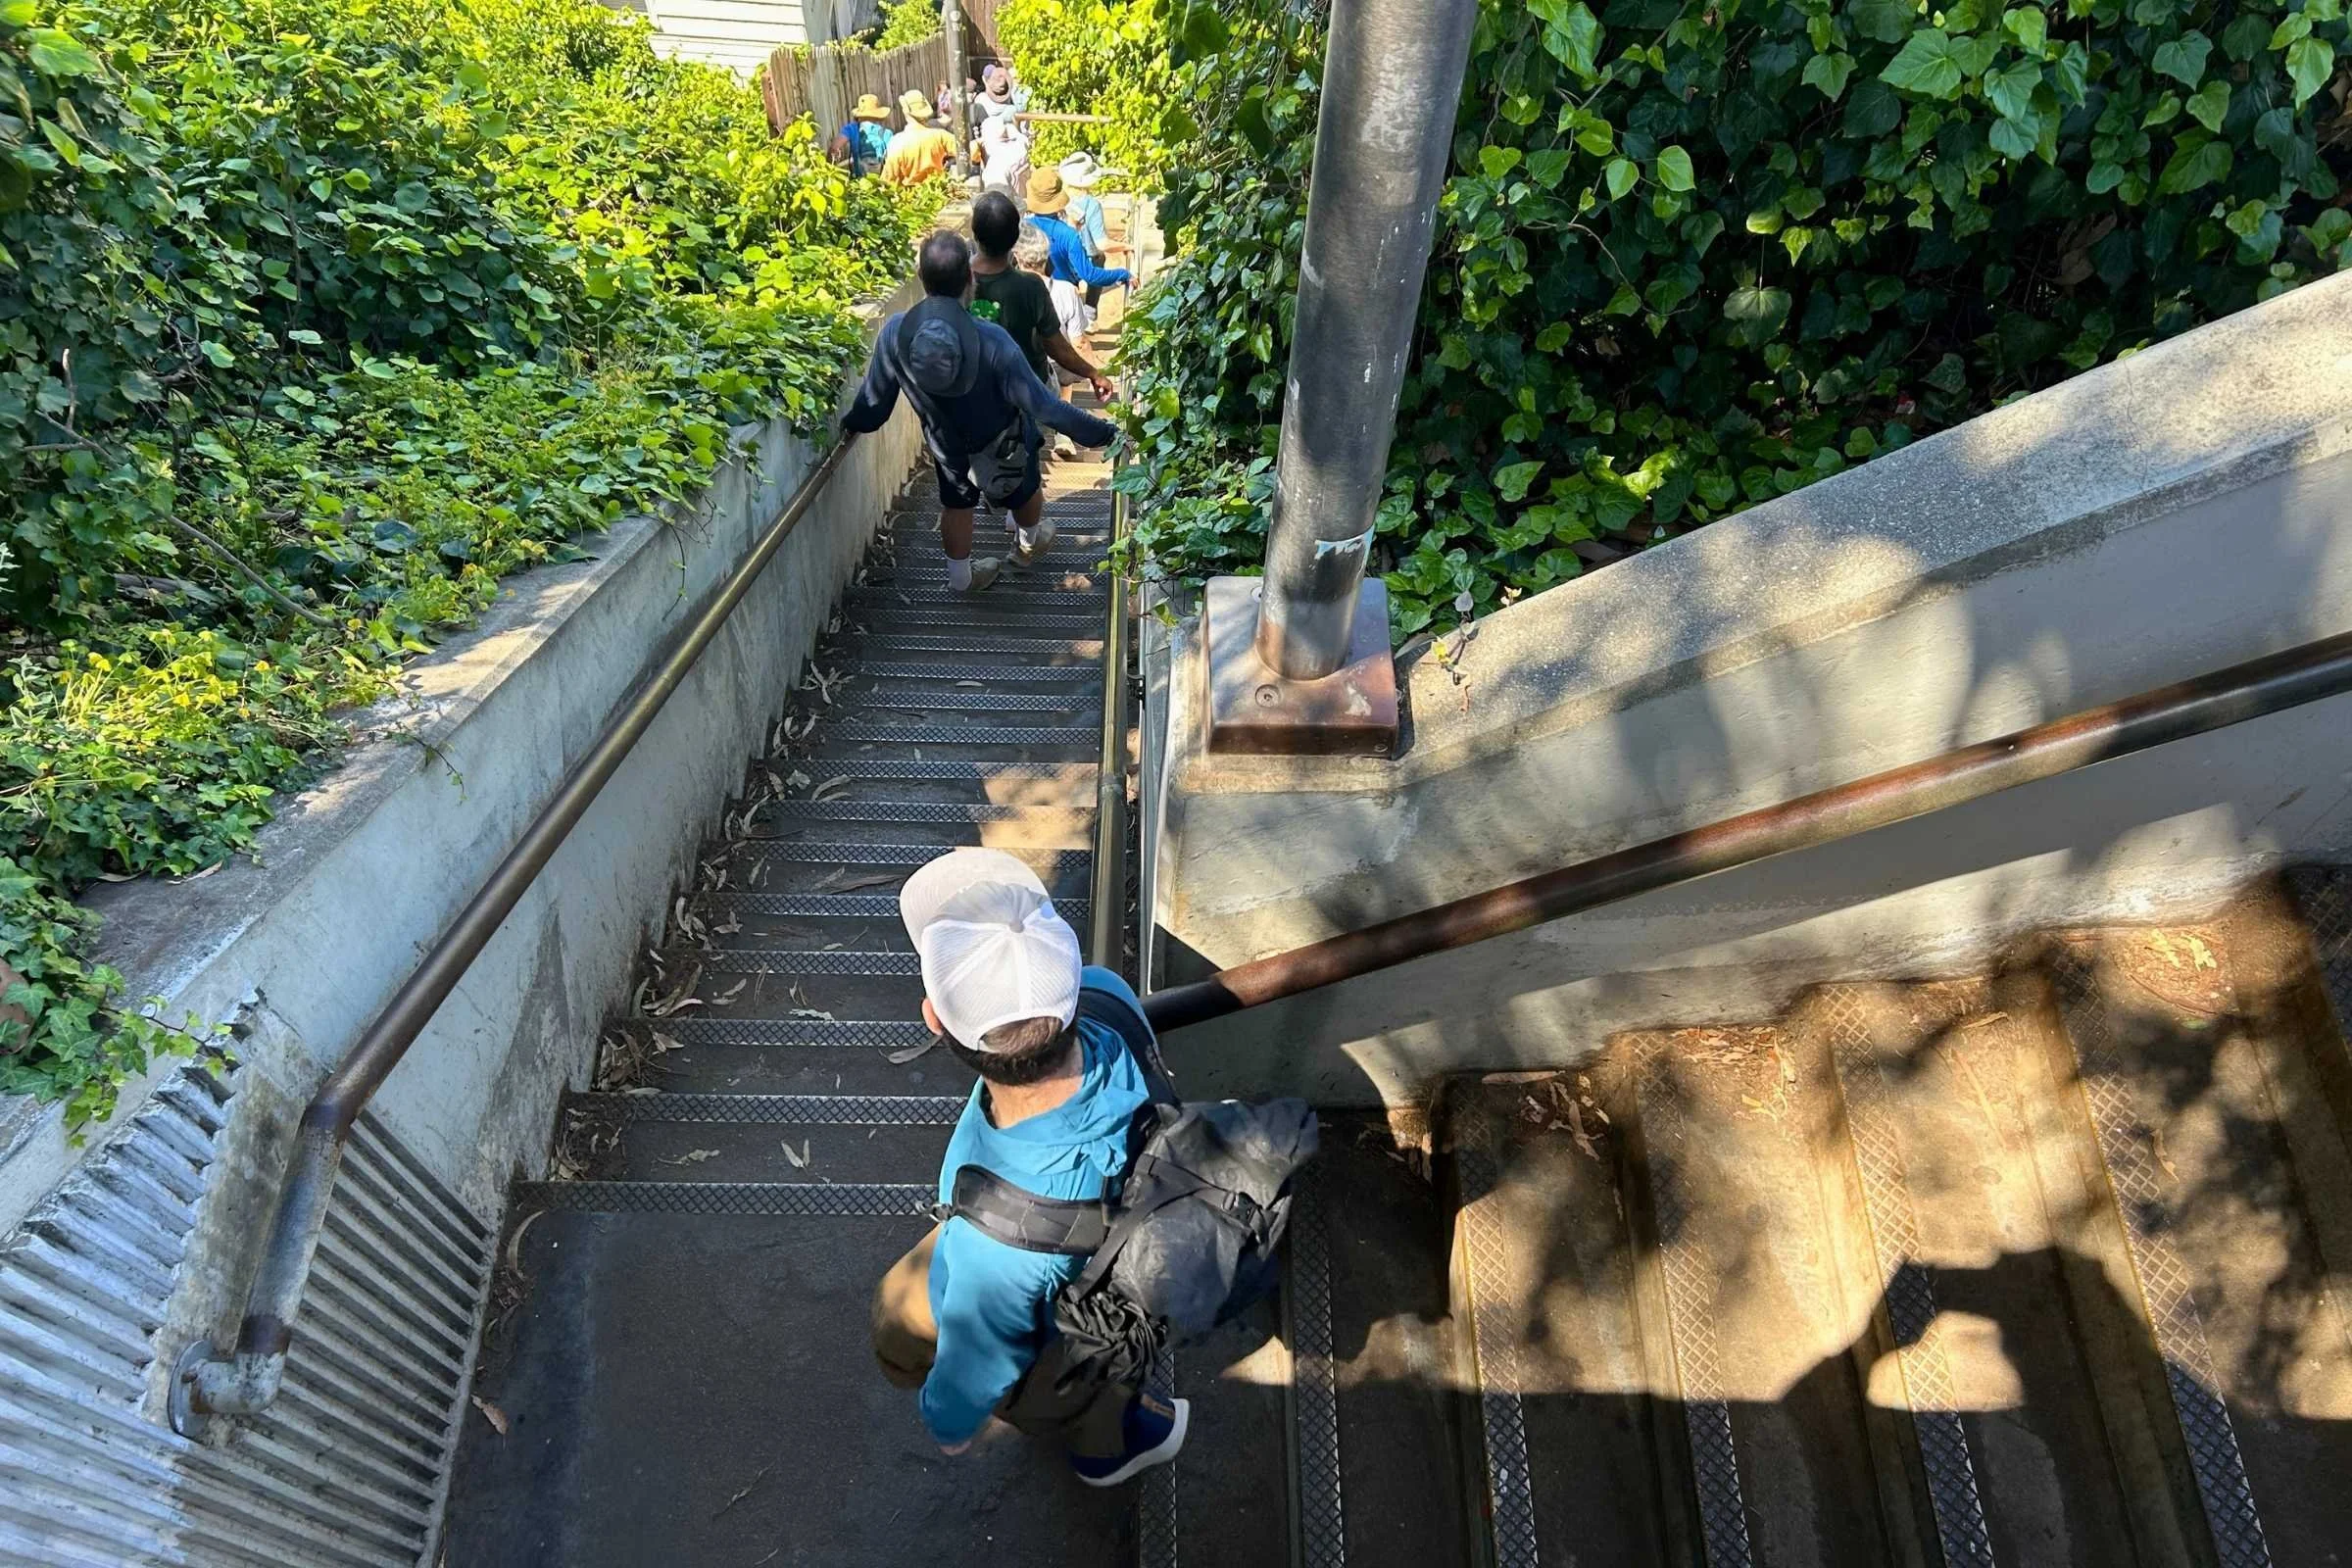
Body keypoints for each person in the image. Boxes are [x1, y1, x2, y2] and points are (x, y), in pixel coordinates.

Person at [870, 849, 1190, 1486]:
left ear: (935, 1019)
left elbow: (977, 1362)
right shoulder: (1107, 995)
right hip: (1130, 1230)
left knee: (896, 1326)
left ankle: (1120, 1441)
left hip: (1047, 1277)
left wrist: (949, 1418)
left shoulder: (999, 1246)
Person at [841, 230, 1115, 591]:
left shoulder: (896, 333)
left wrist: (849, 425)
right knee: (1025, 487)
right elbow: (1045, 406)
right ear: (970, 278)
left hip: (945, 442)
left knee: (956, 501)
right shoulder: (992, 339)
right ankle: (1028, 542)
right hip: (1004, 443)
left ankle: (961, 579)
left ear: (921, 279)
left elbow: (874, 408)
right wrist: (1107, 434)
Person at [967, 192, 1111, 400]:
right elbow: (1056, 346)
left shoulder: (958, 279)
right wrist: (1093, 373)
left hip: (977, 395)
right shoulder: (1030, 286)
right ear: (1014, 239)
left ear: (975, 233)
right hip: (1028, 393)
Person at [1024, 169, 1132, 297]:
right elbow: (1090, 275)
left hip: (1028, 296)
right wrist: (1123, 274)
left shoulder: (1023, 227)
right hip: (1062, 297)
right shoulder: (1069, 235)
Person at [1055, 153, 1130, 270]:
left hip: (1063, 261)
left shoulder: (1056, 200)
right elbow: (1102, 244)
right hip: (1088, 262)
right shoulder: (1091, 204)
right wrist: (1126, 246)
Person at [882, 90, 957, 184]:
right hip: (938, 190)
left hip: (908, 196)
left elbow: (888, 180)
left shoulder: (896, 142)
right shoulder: (940, 136)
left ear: (905, 111)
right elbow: (967, 151)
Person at [831, 93, 893, 177]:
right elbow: (893, 160)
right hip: (881, 184)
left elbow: (834, 148)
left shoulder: (851, 129)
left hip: (861, 185)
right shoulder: (886, 133)